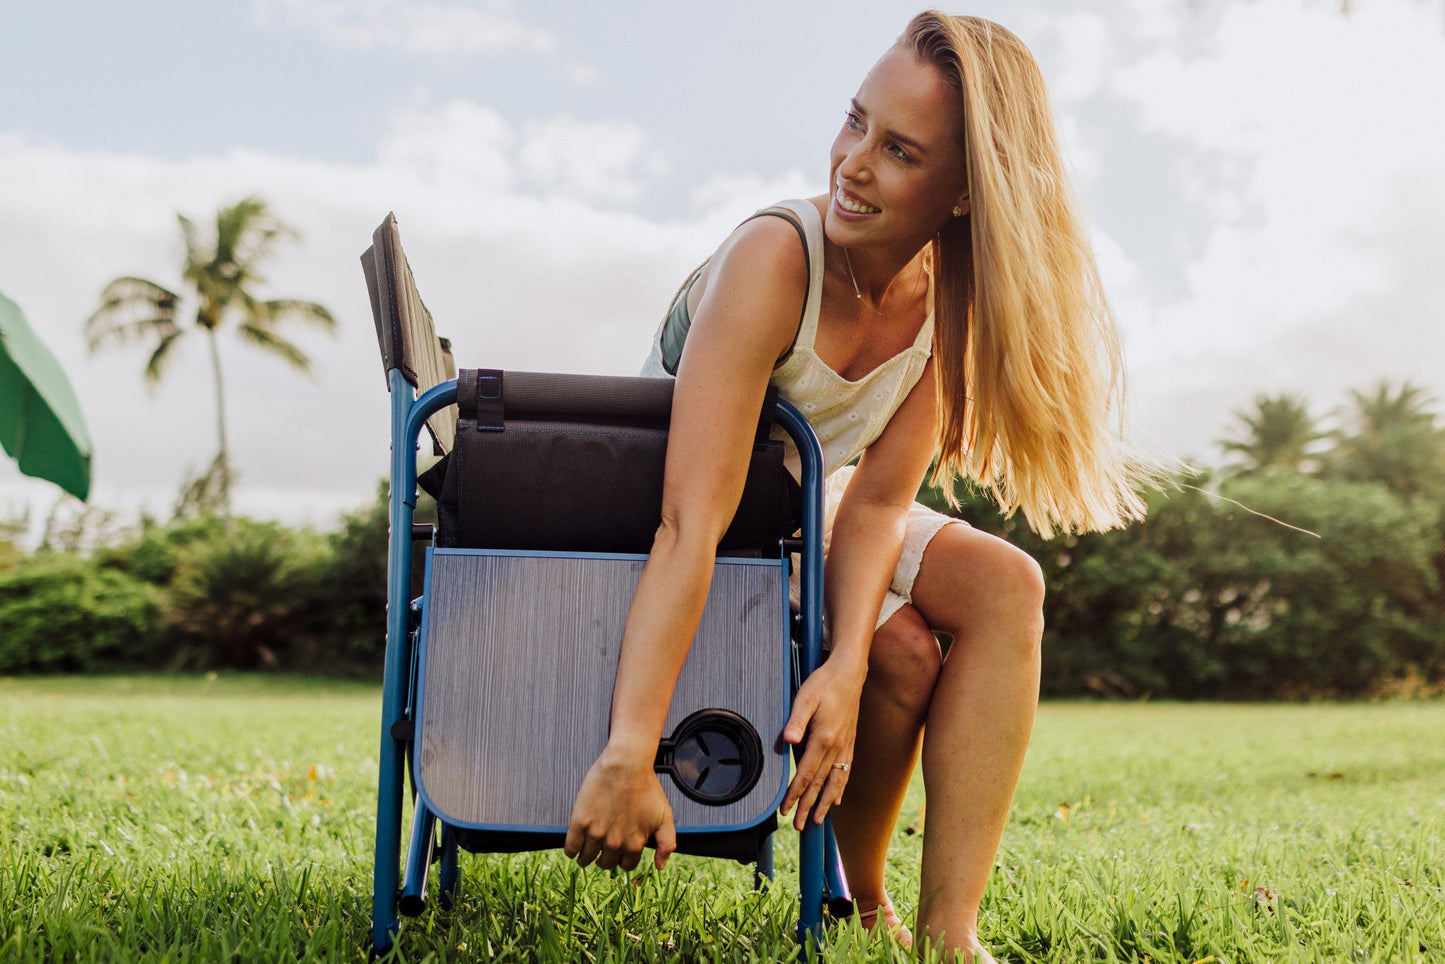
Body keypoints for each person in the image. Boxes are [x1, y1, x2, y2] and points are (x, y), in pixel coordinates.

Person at [563, 10, 1148, 961]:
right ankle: (857, 889)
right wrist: (632, 747)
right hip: (691, 514)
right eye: (854, 122)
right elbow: (689, 518)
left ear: (962, 194)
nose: (853, 164)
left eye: (901, 152)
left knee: (1010, 586)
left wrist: (842, 664)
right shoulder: (774, 256)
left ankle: (949, 937)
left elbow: (874, 503)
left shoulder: (950, 307)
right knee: (908, 653)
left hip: (804, 509)